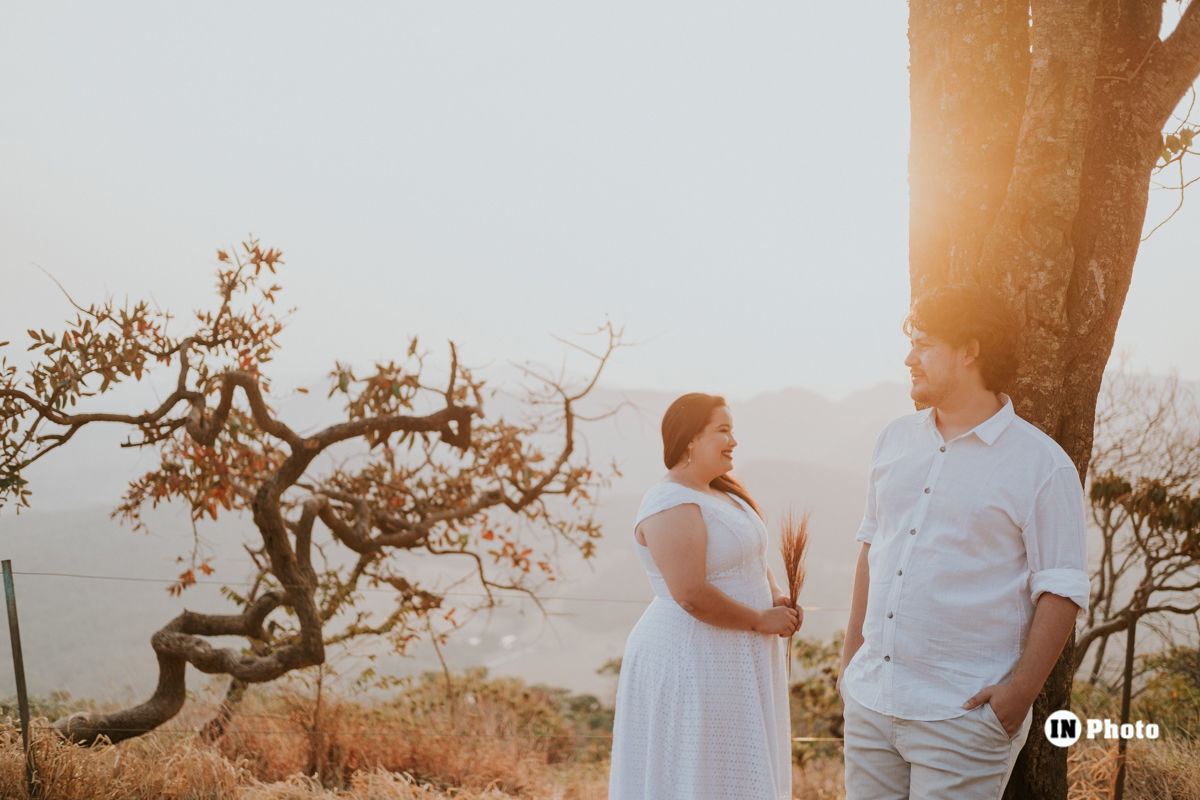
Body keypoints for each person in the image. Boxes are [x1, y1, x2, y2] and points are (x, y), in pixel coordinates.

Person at [838, 284, 1089, 799]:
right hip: (871, 706)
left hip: (962, 720)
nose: (910, 358)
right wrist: (850, 666)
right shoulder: (894, 439)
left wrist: (1017, 697)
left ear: (970, 350)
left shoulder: (1041, 466)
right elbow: (872, 548)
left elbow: (1061, 590)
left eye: (925, 344)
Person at [608, 392, 801, 800]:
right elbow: (690, 593)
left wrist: (777, 596)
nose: (734, 441)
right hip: (693, 657)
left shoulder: (721, 493)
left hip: (736, 653)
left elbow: (752, 556)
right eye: (723, 430)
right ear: (691, 440)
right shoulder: (670, 502)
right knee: (702, 771)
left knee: (736, 766)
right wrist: (759, 620)